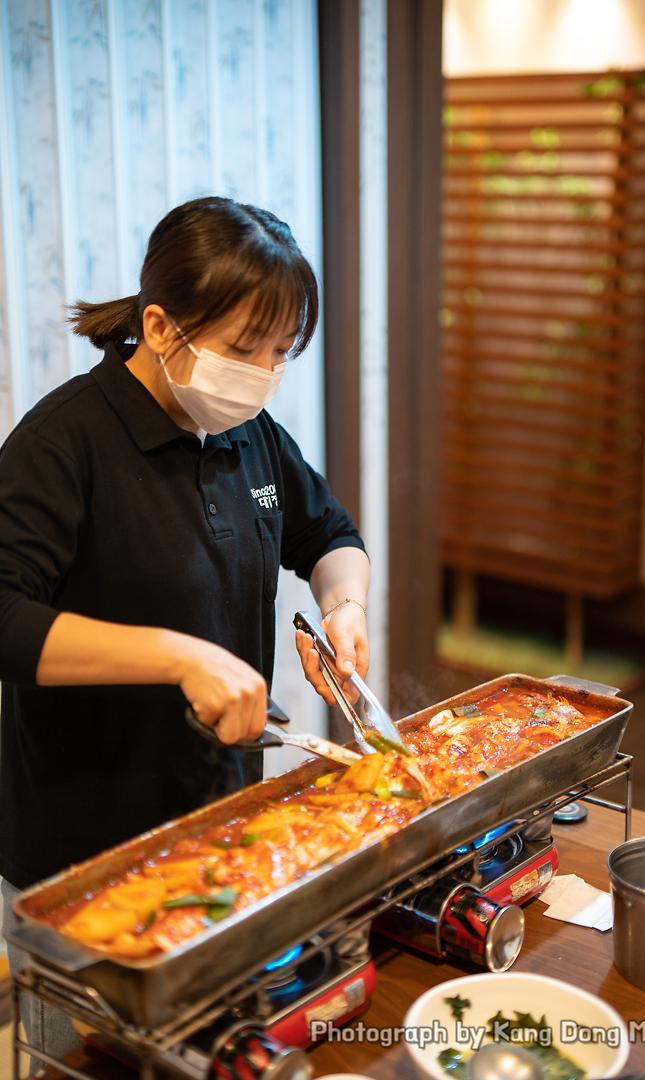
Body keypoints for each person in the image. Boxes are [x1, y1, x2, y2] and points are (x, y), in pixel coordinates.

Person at [0, 197, 370, 1070]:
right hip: (82, 848)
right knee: (87, 1062)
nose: (264, 373)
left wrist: (345, 606)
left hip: (219, 821)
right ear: (161, 326)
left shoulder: (249, 434)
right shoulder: (65, 443)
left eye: (281, 353)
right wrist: (180, 655)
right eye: (244, 349)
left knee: (203, 1051)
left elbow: (332, 536)